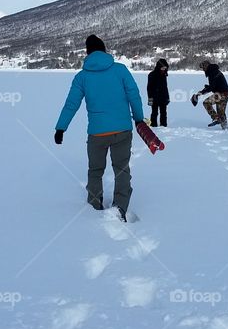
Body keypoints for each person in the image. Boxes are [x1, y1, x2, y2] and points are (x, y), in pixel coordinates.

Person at [54, 35, 144, 222]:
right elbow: (134, 95)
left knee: (95, 171)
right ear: (104, 50)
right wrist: (138, 119)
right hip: (122, 130)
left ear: (87, 52)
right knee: (122, 170)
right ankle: (120, 207)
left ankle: (94, 208)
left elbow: (71, 104)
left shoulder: (82, 77)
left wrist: (61, 128)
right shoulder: (120, 70)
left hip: (97, 133)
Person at [191, 60, 228, 129]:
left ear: (206, 66)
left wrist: (201, 92)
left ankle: (216, 118)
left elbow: (212, 87)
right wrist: (206, 88)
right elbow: (214, 85)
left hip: (222, 94)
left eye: (203, 67)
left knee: (206, 102)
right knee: (221, 113)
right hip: (226, 94)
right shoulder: (214, 71)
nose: (203, 70)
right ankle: (225, 129)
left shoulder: (212, 72)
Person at [146, 59, 170, 127]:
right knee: (154, 113)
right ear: (158, 67)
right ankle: (153, 126)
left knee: (164, 113)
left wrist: (167, 98)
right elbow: (149, 88)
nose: (163, 69)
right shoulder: (151, 75)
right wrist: (150, 100)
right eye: (162, 67)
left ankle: (163, 126)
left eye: (165, 68)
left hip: (163, 98)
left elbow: (165, 88)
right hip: (154, 98)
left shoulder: (164, 75)